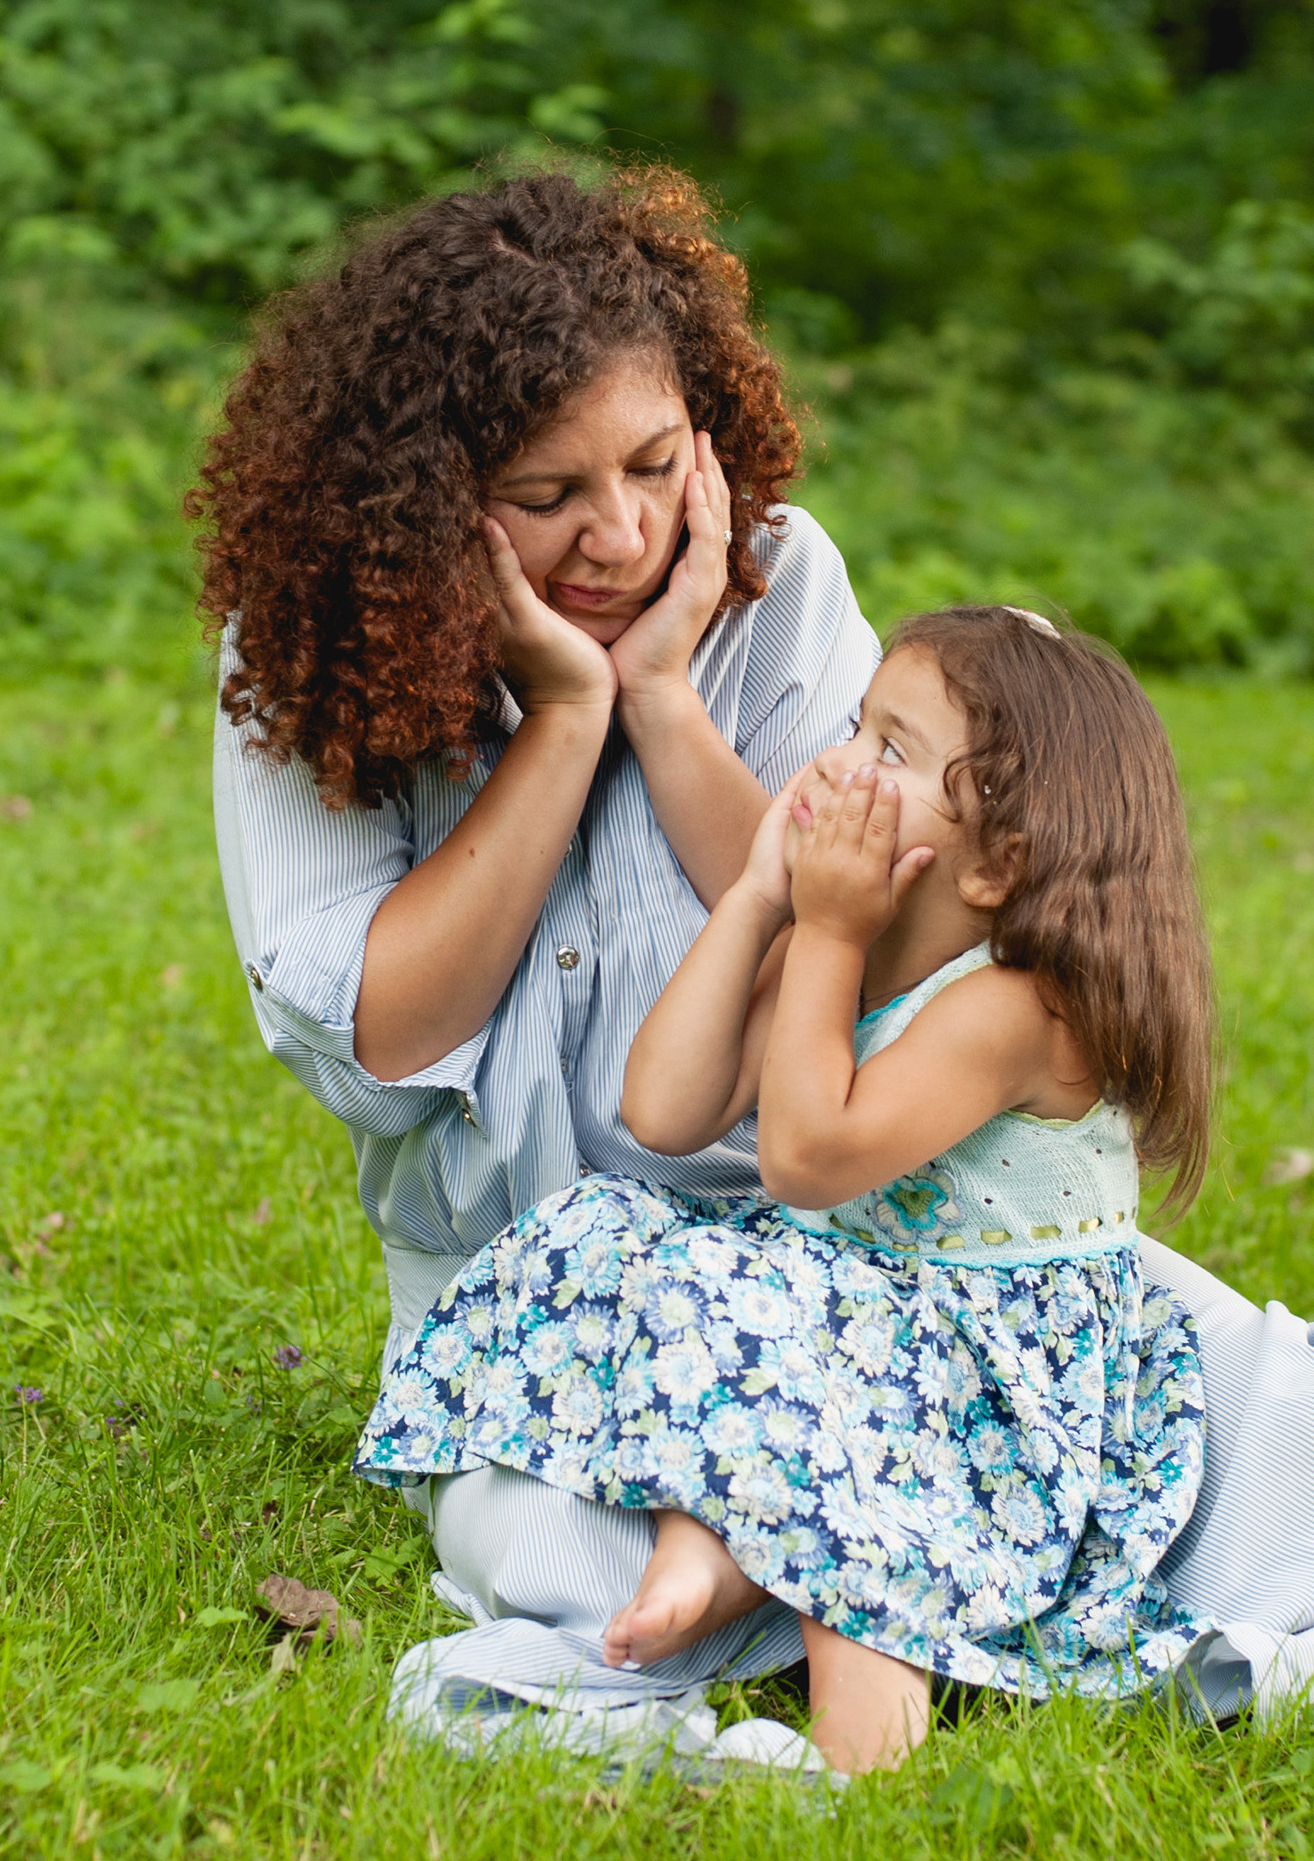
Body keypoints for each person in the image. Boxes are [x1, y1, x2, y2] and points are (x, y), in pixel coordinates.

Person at [194, 165, 1314, 1762]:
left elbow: (866, 911)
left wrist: (664, 701)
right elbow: (388, 1025)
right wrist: (570, 716)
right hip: (559, 1292)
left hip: (888, 1237)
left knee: (1237, 1403)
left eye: (657, 465)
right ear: (418, 503)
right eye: (547, 497)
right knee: (551, 1561)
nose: (621, 533)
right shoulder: (308, 651)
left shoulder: (774, 586)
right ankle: (874, 1570)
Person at [358, 608, 1222, 1771]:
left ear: (998, 861)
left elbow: (808, 1156)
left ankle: (861, 1761)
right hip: (870, 1303)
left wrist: (820, 928)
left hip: (986, 1372)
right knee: (611, 1222)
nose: (840, 762)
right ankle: (707, 1542)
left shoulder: (1016, 1006)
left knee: (860, 1488)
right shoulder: (853, 935)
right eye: (856, 723)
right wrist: (763, 898)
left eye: (890, 752)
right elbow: (662, 1110)